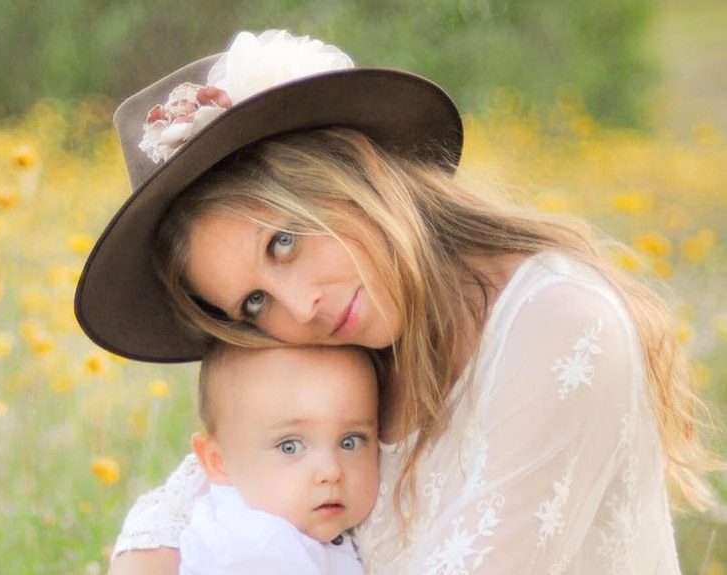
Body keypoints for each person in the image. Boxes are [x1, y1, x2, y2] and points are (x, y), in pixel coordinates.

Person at [74, 29, 720, 574]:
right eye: (252, 305)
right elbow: (196, 491)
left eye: (285, 241)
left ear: (348, 167)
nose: (300, 308)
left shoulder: (560, 326)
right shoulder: (344, 353)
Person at [179, 342, 379, 575]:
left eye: (350, 441)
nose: (331, 471)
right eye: (289, 447)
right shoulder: (254, 550)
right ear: (218, 461)